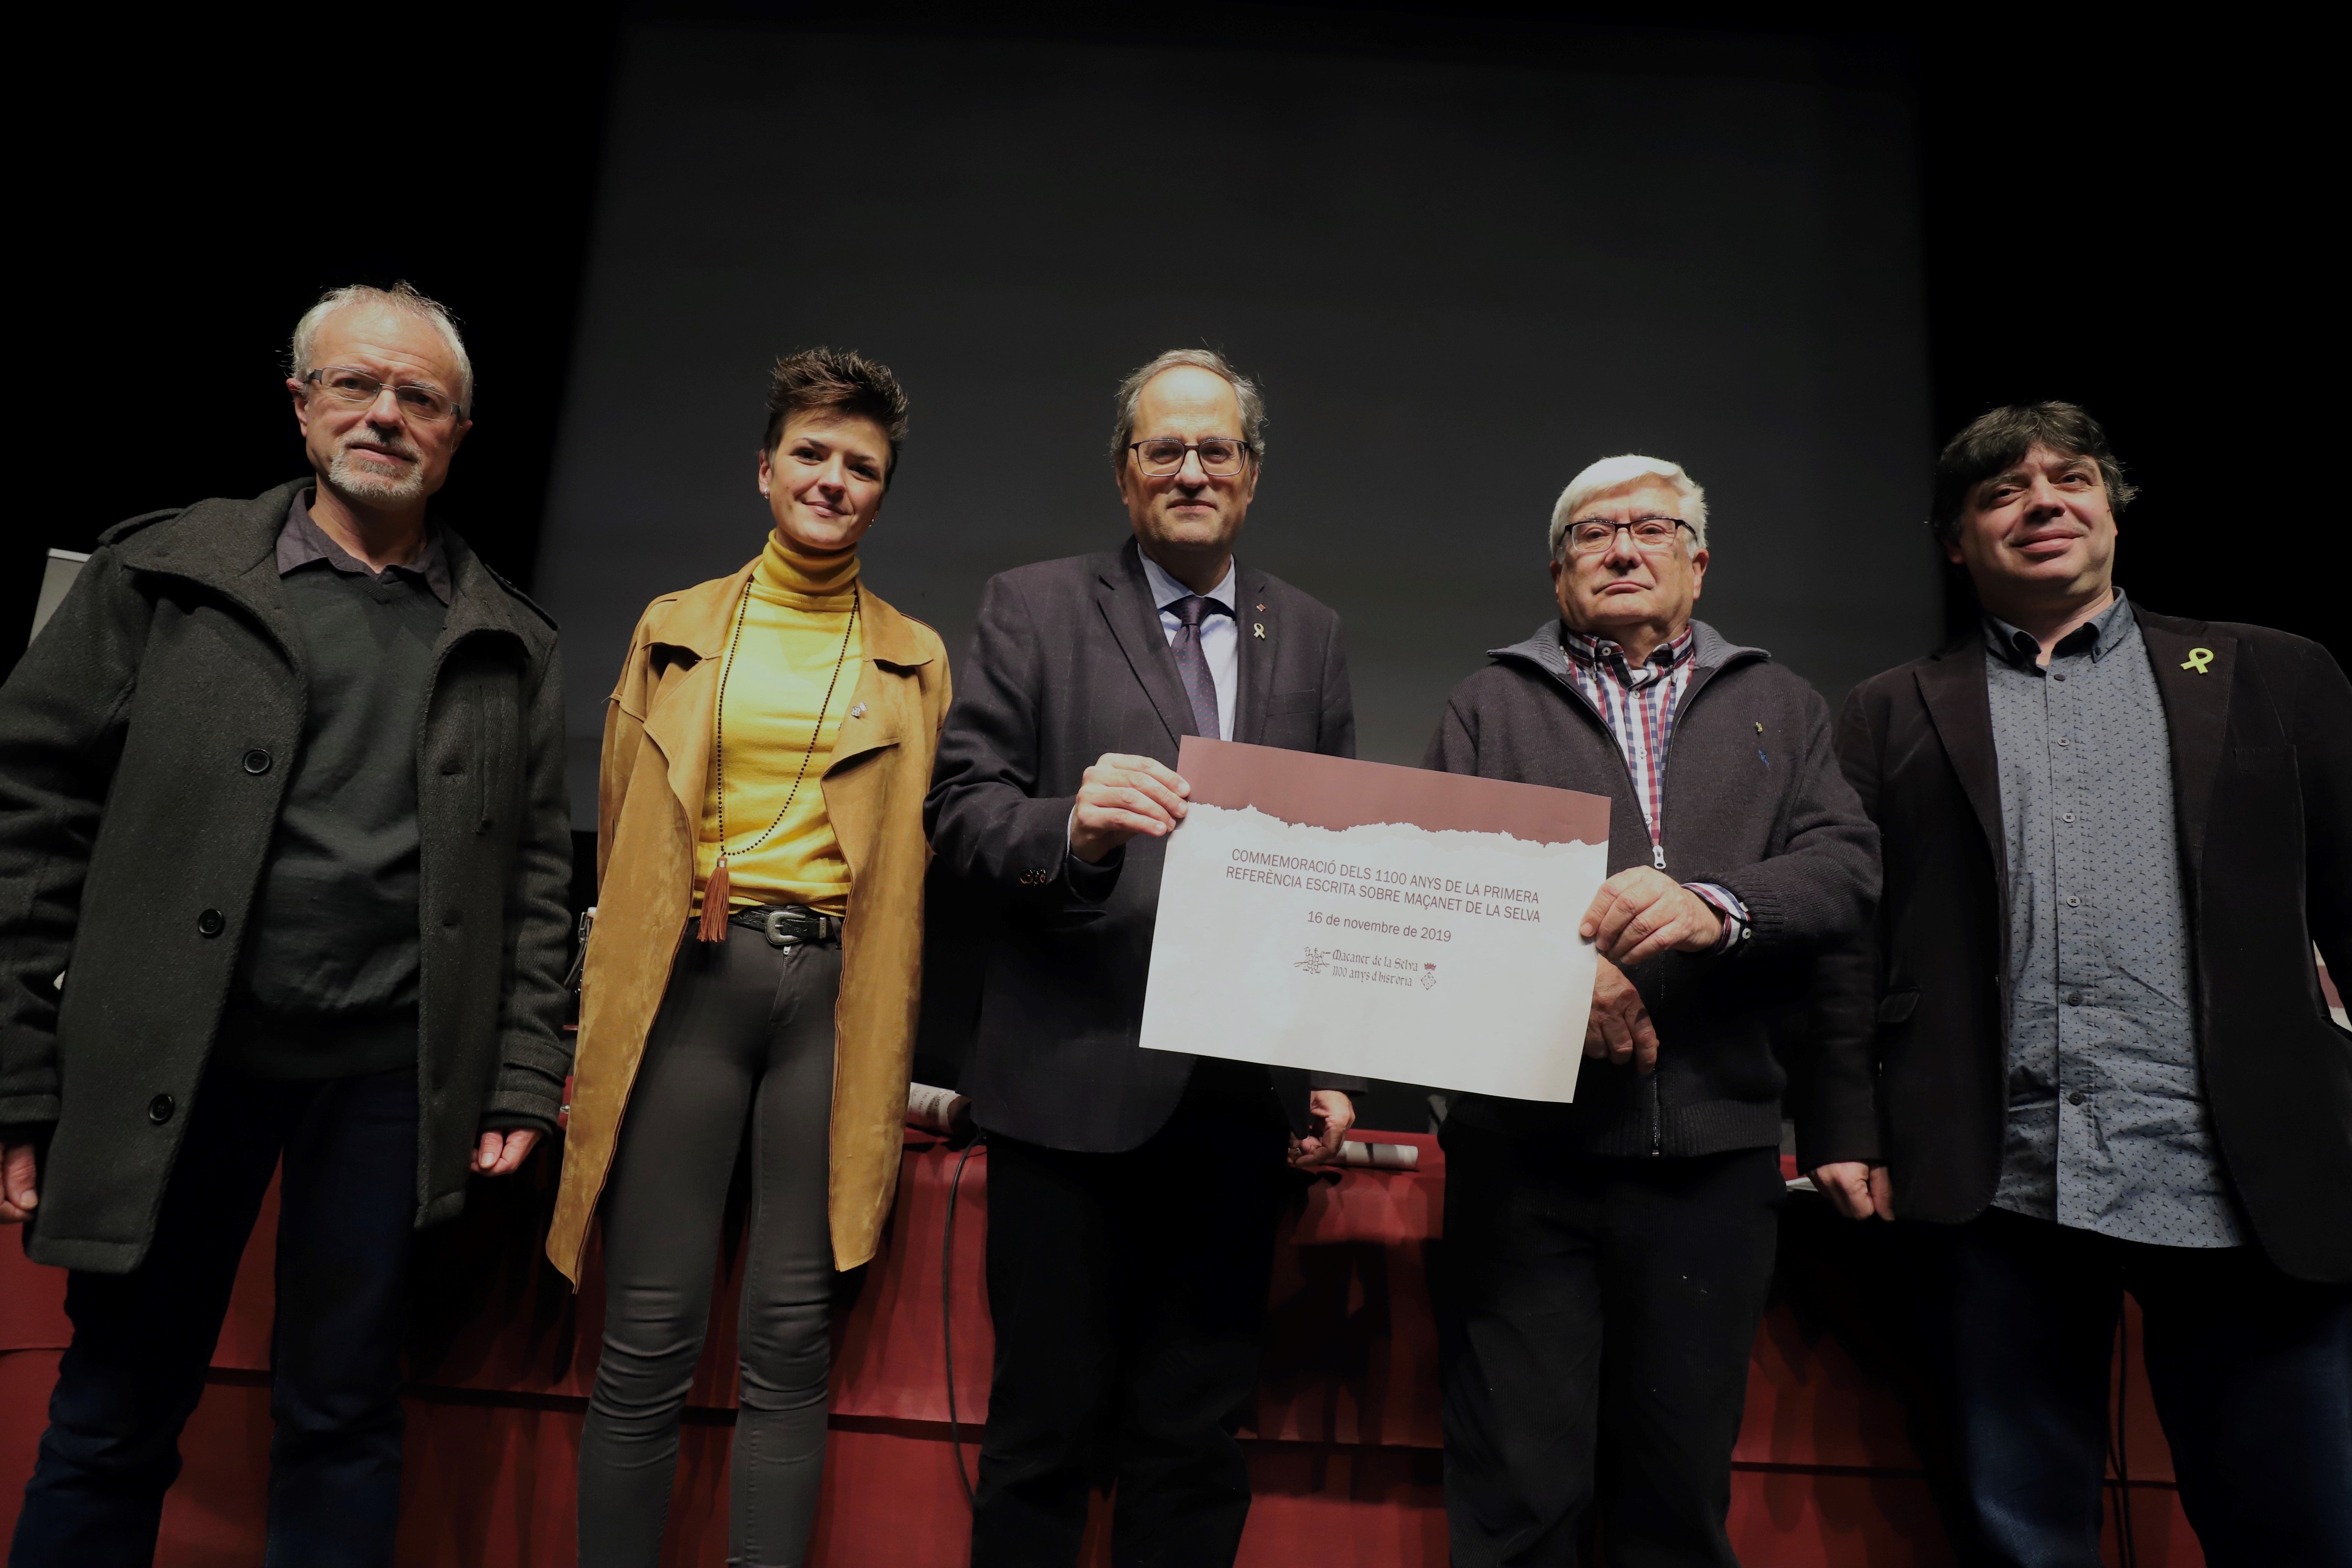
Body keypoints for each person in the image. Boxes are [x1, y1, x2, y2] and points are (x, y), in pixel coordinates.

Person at [0, 282, 572, 1567]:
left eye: (419, 397)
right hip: (173, 1065)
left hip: (385, 1078)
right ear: (302, 405)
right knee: (114, 1410)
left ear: (459, 432)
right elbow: (27, 822)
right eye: (356, 386)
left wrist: (524, 1076)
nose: (385, 415)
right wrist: (21, 1082)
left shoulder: (508, 640)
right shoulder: (167, 575)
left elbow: (535, 877)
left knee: (346, 1413)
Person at [1832, 402, 2352, 1567]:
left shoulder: (2274, 672)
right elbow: (1851, 949)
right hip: (1997, 1176)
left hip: (2243, 1172)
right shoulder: (1887, 710)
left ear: (2112, 512)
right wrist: (1847, 1122)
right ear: (1957, 541)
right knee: (2024, 1544)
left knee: (2302, 1531)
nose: (2043, 503)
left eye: (2070, 480)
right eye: (2002, 492)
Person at [926, 348, 1360, 1567]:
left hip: (1231, 1104)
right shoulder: (1035, 605)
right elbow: (960, 812)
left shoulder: (1314, 636)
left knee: (1195, 1446)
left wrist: (1326, 1058)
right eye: (1163, 449)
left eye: (1214, 449)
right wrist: (1070, 823)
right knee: (1042, 1441)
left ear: (1252, 475)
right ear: (1124, 478)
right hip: (1068, 1087)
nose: (1190, 470)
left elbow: (1330, 863)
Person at [1424, 453, 1881, 1567]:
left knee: (1675, 1501)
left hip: (1713, 1165)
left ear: (1699, 561)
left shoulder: (1781, 704)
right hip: (1529, 1164)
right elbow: (1433, 905)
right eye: (1593, 534)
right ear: (1557, 567)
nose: (1623, 550)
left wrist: (1718, 905)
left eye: (1652, 530)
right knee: (1521, 1501)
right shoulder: (1488, 704)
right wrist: (1556, 973)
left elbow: (1847, 871)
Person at [545, 347, 949, 1568]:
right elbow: (621, 825)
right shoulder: (672, 626)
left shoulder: (917, 656)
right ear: (765, 467)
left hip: (833, 995)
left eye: (861, 467)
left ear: (885, 492)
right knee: (650, 1333)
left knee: (788, 1343)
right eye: (812, 455)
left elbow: (917, 859)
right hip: (689, 983)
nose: (833, 481)